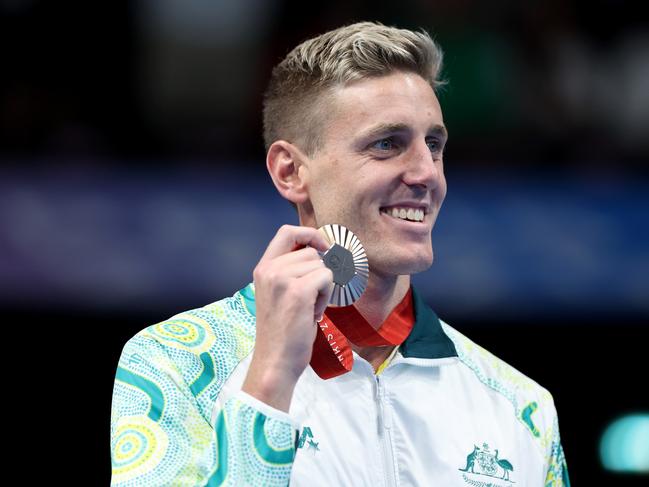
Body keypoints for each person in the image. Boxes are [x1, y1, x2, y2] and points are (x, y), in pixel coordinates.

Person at [110, 21, 570, 486]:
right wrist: (270, 380)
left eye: (434, 144)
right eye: (387, 144)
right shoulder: (176, 365)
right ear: (290, 171)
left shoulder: (522, 408)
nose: (426, 173)